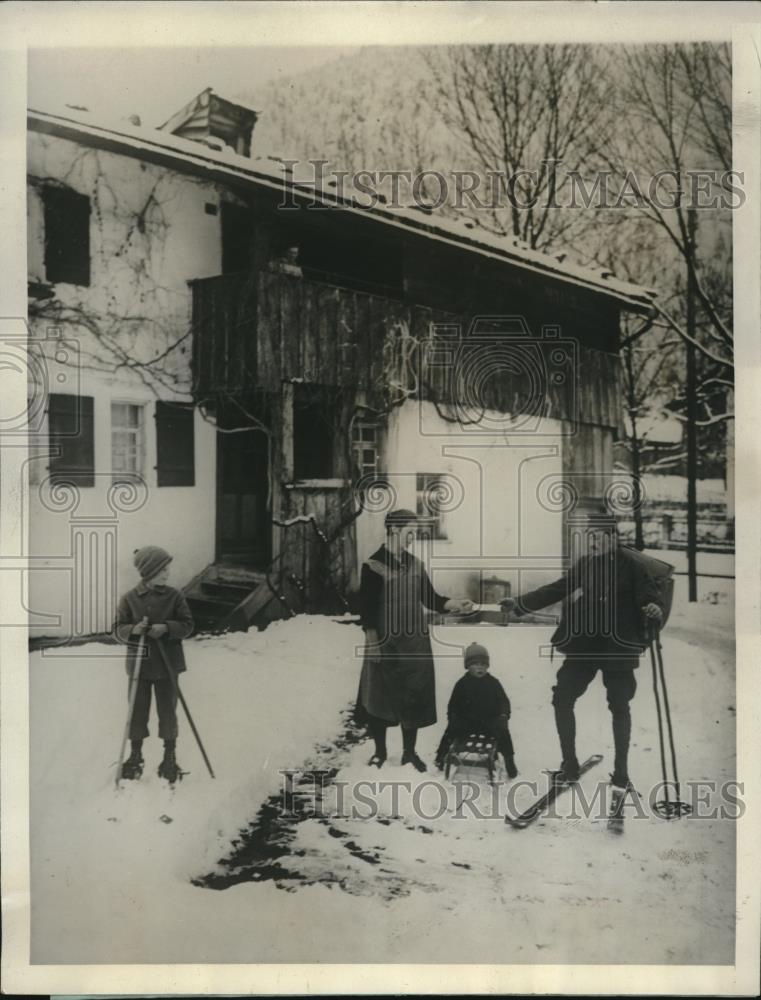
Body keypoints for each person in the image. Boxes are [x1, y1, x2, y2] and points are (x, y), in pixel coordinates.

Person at [501, 509, 663, 790]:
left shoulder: (634, 566)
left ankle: (621, 772)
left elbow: (649, 595)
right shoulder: (586, 564)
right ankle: (569, 765)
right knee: (562, 697)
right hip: (585, 644)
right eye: (590, 537)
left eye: (599, 537)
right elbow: (558, 588)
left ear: (613, 538)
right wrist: (519, 603)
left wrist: (653, 607)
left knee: (619, 705)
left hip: (618, 647)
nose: (593, 543)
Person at [356, 508, 474, 772]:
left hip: (414, 643)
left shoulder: (415, 565)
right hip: (384, 642)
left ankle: (410, 753)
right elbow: (366, 609)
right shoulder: (373, 565)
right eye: (410, 533)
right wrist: (372, 641)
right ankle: (380, 752)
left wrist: (454, 603)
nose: (413, 538)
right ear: (394, 531)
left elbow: (430, 599)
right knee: (380, 696)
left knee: (414, 694)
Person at [115, 545, 194, 783]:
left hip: (168, 664)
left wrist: (168, 628)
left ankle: (169, 757)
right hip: (140, 666)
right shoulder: (129, 599)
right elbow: (117, 631)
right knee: (137, 711)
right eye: (163, 570)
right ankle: (135, 755)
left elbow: (188, 625)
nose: (167, 574)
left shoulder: (175, 596)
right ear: (149, 572)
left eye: (168, 570)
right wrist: (133, 630)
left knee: (167, 711)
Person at [435, 641, 518, 779]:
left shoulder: (493, 683)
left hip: (488, 723)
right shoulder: (462, 684)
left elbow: (503, 701)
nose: (480, 667)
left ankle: (510, 761)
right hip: (467, 723)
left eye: (483, 664)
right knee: (450, 730)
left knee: (504, 733)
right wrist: (453, 717)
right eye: (475, 664)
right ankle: (440, 756)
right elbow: (453, 705)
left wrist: (503, 715)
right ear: (468, 666)